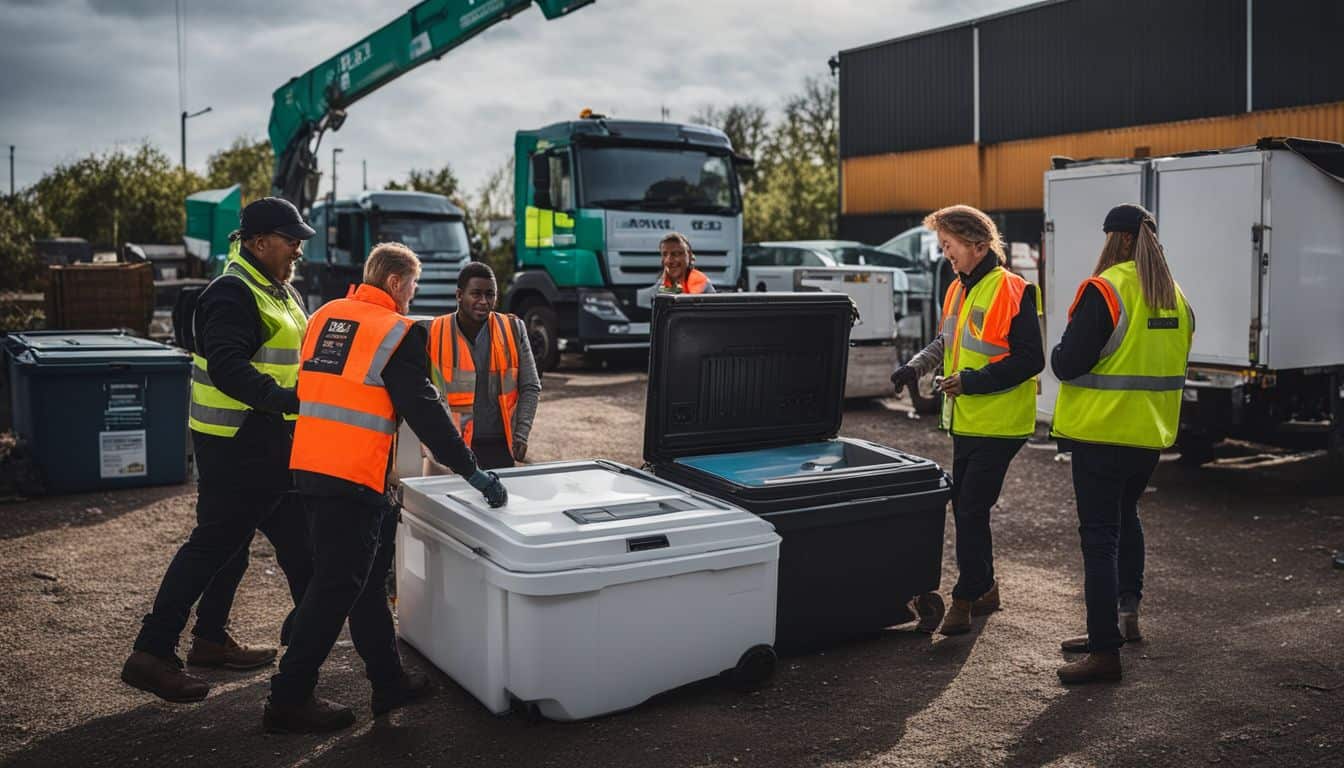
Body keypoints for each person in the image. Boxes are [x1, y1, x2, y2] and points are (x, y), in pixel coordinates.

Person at [265, 243, 508, 734]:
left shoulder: (326, 316)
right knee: (336, 587)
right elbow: (426, 413)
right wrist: (472, 472)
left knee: (365, 584)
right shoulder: (396, 333)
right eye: (413, 286)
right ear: (397, 283)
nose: (412, 296)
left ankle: (388, 680)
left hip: (311, 468)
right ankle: (287, 698)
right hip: (352, 477)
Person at [121, 198, 316, 703]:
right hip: (241, 442)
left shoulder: (279, 289)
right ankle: (151, 651)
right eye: (289, 237)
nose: (298, 246)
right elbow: (229, 366)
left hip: (270, 442)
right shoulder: (233, 292)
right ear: (257, 242)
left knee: (243, 546)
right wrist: (287, 401)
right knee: (221, 545)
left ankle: (209, 639)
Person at [1050, 204, 1193, 685]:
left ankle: (1104, 650)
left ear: (1119, 241)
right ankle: (1125, 619)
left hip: (1100, 436)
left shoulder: (1106, 290)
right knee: (1126, 519)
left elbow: (1067, 363)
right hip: (1148, 438)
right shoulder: (1176, 298)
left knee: (1099, 539)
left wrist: (1056, 349)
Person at [890, 204, 1043, 636]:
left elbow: (1033, 359)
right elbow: (946, 340)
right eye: (942, 246)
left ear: (977, 245)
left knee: (970, 507)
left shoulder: (1014, 289)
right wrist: (913, 367)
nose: (946, 254)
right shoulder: (958, 288)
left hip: (1002, 422)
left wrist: (973, 382)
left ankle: (965, 596)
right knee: (969, 508)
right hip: (968, 420)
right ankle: (987, 586)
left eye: (950, 246)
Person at [423, 261, 541, 471]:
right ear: (459, 295)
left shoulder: (513, 329)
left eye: (490, 294)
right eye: (476, 294)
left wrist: (521, 434)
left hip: (500, 448)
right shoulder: (434, 332)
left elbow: (530, 386)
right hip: (449, 450)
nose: (484, 301)